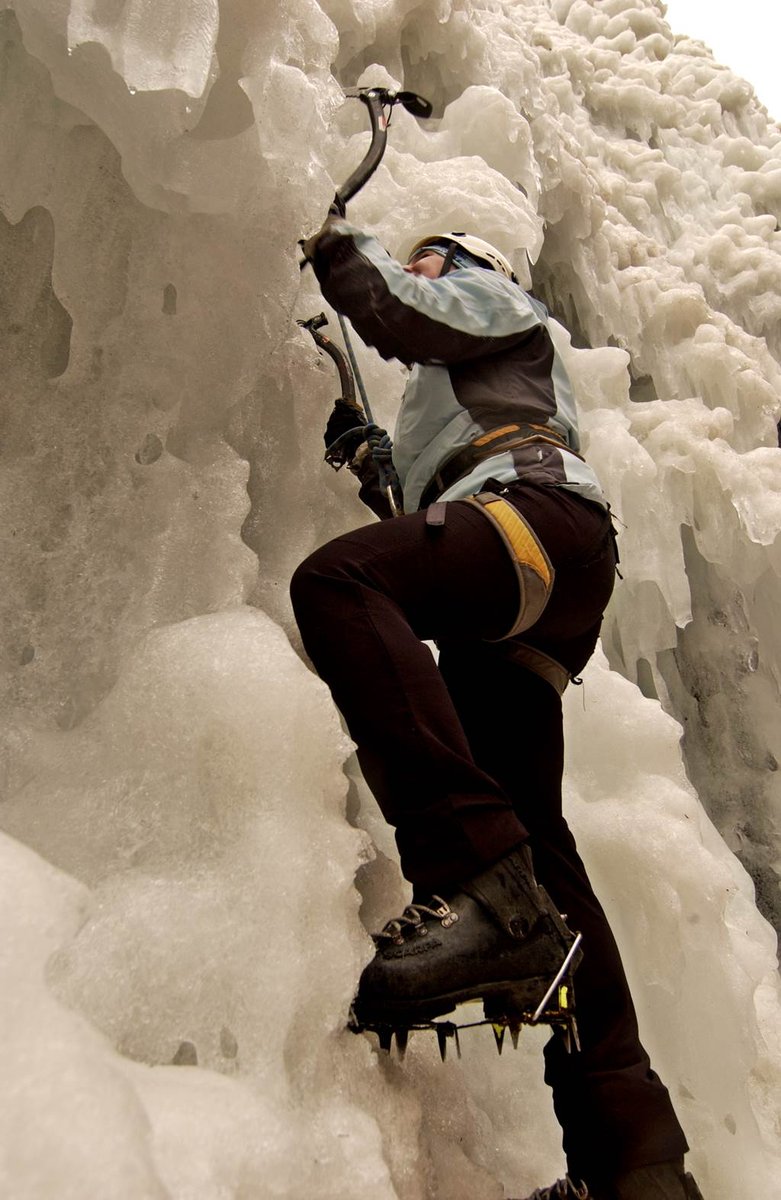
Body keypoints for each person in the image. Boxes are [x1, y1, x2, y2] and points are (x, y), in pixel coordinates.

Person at [292, 216, 703, 1200]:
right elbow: (439, 512)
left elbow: (402, 311)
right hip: (535, 577)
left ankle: (477, 884)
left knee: (338, 585)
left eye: (439, 254)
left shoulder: (499, 305)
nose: (425, 263)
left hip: (538, 519)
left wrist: (339, 251)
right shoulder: (463, 392)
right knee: (540, 843)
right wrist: (375, 458)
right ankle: (629, 1152)